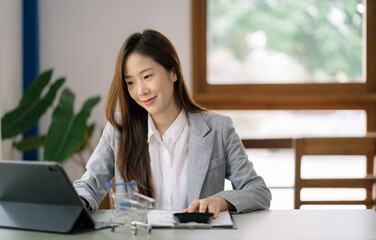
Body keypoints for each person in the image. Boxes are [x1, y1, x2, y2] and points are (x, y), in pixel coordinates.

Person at [74, 29, 271, 217]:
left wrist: (219, 201)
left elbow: (258, 191)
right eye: (130, 82)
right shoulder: (119, 129)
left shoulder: (218, 129)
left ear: (173, 73)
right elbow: (89, 184)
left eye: (147, 76)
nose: (141, 90)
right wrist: (79, 201)